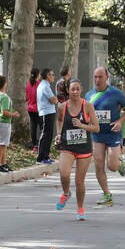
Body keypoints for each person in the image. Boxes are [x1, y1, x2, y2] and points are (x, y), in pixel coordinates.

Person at [85, 67, 125, 206]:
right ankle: (106, 193)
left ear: (107, 77)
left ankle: (119, 164)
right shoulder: (89, 95)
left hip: (112, 134)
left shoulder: (116, 93)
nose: (97, 80)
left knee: (112, 166)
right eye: (95, 77)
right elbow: (86, 113)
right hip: (97, 134)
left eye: (100, 77)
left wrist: (120, 121)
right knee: (98, 164)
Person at [55, 78, 99, 220]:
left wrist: (82, 125)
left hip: (84, 148)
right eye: (72, 89)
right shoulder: (62, 107)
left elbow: (96, 128)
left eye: (77, 89)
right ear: (68, 90)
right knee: (64, 173)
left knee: (79, 181)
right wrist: (59, 134)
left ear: (81, 90)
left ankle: (80, 208)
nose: (75, 92)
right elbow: (60, 120)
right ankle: (66, 193)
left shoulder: (87, 106)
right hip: (67, 146)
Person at [0, 75, 19, 172]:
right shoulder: (4, 97)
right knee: (1, 143)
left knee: (3, 143)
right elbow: (4, 112)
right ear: (4, 84)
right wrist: (13, 114)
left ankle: (3, 163)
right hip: (4, 122)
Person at [36, 68, 58, 164]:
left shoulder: (45, 85)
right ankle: (41, 157)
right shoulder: (45, 86)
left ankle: (46, 156)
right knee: (45, 134)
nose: (53, 76)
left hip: (48, 112)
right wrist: (55, 100)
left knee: (48, 135)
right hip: (46, 112)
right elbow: (54, 100)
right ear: (47, 75)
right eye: (52, 74)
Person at [26, 68, 41, 151]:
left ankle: (34, 144)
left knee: (33, 126)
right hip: (38, 109)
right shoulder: (39, 84)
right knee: (42, 127)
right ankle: (41, 144)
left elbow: (27, 97)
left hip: (30, 108)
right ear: (37, 75)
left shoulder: (28, 84)